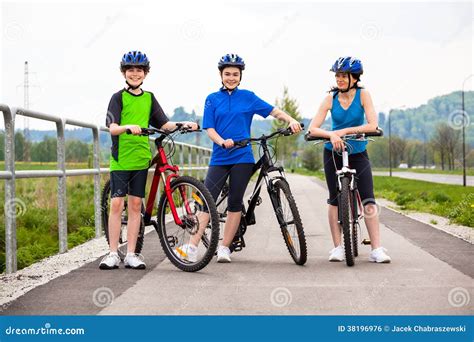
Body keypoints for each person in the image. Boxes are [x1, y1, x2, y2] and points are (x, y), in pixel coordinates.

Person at [178, 53, 302, 264]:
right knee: (207, 200)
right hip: (220, 156)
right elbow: (209, 128)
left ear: (240, 76)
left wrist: (290, 119)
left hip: (242, 156)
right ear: (221, 75)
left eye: (235, 74)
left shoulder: (248, 97)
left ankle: (224, 247)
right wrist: (221, 141)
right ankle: (191, 246)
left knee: (236, 201)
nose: (231, 77)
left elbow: (274, 111)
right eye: (227, 74)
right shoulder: (212, 99)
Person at [100, 50, 198, 270]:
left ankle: (132, 254)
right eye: (130, 70)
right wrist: (127, 127)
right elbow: (112, 128)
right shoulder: (118, 98)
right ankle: (113, 253)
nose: (135, 74)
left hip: (141, 159)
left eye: (139, 70)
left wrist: (183, 124)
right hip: (121, 159)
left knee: (135, 205)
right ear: (124, 73)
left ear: (145, 73)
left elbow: (164, 124)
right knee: (117, 204)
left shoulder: (149, 98)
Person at [307, 56, 391, 263]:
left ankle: (376, 249)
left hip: (358, 151)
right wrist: (332, 135)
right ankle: (337, 247)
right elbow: (312, 128)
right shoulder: (330, 98)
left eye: (343, 75)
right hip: (332, 152)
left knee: (368, 198)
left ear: (355, 77)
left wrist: (343, 131)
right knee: (334, 199)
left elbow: (373, 125)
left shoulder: (363, 95)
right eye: (337, 75)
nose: (339, 79)